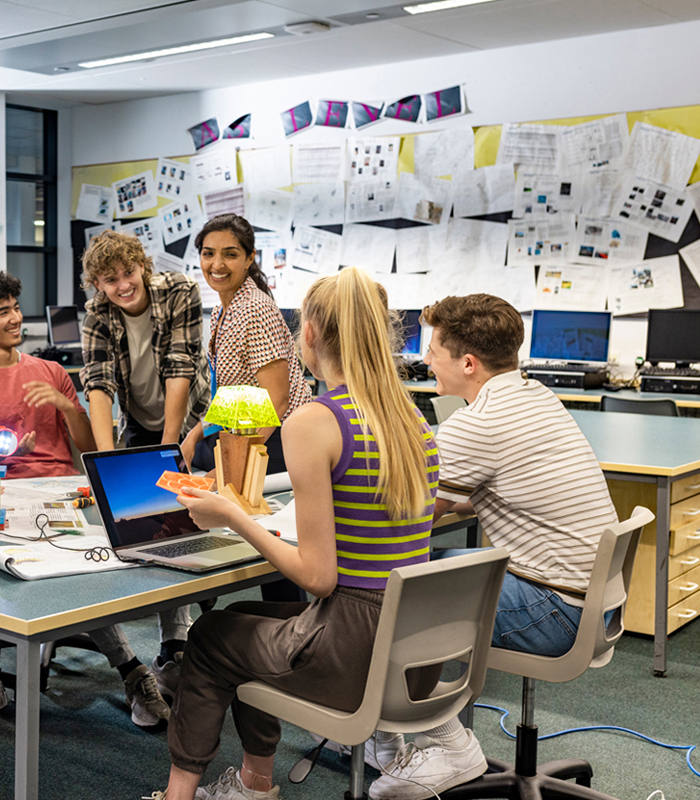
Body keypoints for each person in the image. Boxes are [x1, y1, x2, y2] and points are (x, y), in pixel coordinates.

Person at [148, 267, 441, 800]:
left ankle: (183, 796)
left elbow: (319, 577)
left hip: (353, 649)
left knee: (212, 638)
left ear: (306, 334)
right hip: (412, 651)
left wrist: (232, 514)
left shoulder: (314, 421)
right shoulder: (411, 417)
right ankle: (253, 781)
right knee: (240, 621)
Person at [365, 294, 620, 800]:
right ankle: (388, 732)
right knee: (436, 571)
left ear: (467, 362)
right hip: (593, 602)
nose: (426, 359)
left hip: (555, 610)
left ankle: (444, 742)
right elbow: (480, 491)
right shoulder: (534, 396)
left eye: (433, 348)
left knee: (392, 597)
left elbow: (408, 517)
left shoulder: (477, 424)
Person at [0, 270, 180, 728]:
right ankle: (132, 671)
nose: (15, 318)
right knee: (66, 571)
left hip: (67, 495)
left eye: (15, 307)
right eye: (2, 313)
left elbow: (87, 447)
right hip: (8, 499)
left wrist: (64, 401)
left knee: (145, 537)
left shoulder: (51, 372)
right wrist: (0, 451)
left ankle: (165, 650)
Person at [182, 213, 312, 604]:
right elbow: (236, 390)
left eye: (230, 254)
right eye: (208, 254)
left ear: (249, 258)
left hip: (276, 440)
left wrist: (242, 463)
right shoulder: (224, 307)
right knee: (234, 531)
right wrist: (195, 433)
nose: (216, 264)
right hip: (244, 433)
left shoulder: (254, 307)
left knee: (274, 547)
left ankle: (289, 635)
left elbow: (277, 398)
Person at [79, 229, 210, 454]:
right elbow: (99, 385)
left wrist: (168, 449)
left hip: (192, 417)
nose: (124, 286)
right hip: (139, 422)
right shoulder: (97, 316)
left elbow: (179, 367)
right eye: (111, 280)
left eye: (128, 272)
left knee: (189, 483)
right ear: (98, 285)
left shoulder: (179, 291)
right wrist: (106, 457)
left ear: (141, 265)